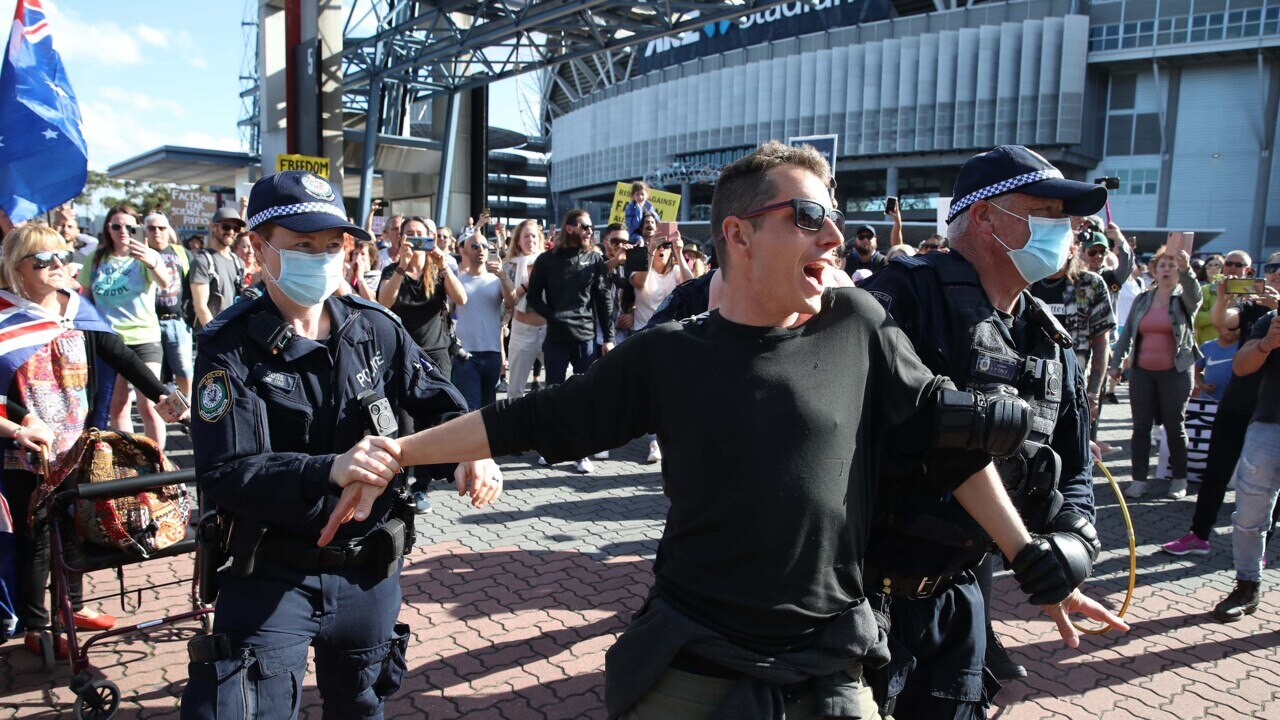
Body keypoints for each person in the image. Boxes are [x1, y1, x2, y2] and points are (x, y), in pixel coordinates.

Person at [319, 141, 1124, 719]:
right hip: (697, 654)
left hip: (833, 656)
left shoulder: (860, 322)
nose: (836, 239)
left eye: (835, 218)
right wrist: (399, 453)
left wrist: (1031, 558)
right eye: (809, 217)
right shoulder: (669, 356)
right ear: (736, 235)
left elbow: (944, 439)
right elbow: (531, 418)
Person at [179, 171, 501, 720]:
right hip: (270, 569)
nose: (321, 258)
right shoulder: (228, 346)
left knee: (359, 701)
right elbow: (226, 470)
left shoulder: (375, 327)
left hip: (367, 567)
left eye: (332, 245)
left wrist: (473, 450)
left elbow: (438, 401)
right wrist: (329, 469)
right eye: (302, 246)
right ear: (259, 248)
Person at [859, 144, 1113, 715]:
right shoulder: (900, 299)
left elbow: (1074, 464)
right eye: (1046, 211)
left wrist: (1073, 542)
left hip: (961, 599)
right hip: (861, 599)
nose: (1067, 229)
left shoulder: (1047, 340)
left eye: (1069, 217)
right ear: (984, 216)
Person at [0, 225, 186, 658]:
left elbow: (118, 353)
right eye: (42, 260)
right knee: (39, 533)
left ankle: (74, 607)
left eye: (60, 257)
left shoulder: (75, 308)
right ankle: (36, 625)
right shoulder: (5, 316)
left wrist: (160, 393)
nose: (57, 266)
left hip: (76, 438)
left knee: (75, 521)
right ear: (16, 267)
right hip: (26, 447)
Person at [1161, 254, 1280, 557]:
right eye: (1272, 272)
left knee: (1270, 483)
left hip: (1272, 410)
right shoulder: (1255, 309)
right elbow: (1220, 321)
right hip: (1238, 400)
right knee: (1216, 469)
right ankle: (1199, 535)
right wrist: (1223, 298)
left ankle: (1261, 546)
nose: (1275, 277)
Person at [376, 216, 468, 514]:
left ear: (431, 237)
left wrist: (443, 265)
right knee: (402, 423)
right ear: (400, 238)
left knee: (431, 424)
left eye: (421, 235)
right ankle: (400, 485)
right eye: (410, 234)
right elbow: (383, 302)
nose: (415, 239)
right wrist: (402, 266)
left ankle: (421, 486)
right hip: (400, 356)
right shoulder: (393, 270)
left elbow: (461, 298)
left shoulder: (438, 270)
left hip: (436, 355)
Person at [525, 209, 614, 474]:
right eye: (585, 226)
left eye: (590, 227)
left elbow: (604, 301)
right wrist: (552, 316)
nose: (590, 231)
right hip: (556, 337)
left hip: (585, 337)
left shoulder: (594, 258)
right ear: (570, 227)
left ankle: (580, 452)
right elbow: (532, 296)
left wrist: (608, 338)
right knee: (553, 393)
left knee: (583, 396)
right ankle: (552, 448)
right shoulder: (546, 260)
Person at [78, 206, 174, 450]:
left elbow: (165, 282)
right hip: (109, 342)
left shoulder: (145, 255)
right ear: (107, 228)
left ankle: (157, 461)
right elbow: (85, 300)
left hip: (144, 338)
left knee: (150, 403)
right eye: (116, 226)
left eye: (130, 227)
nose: (123, 231)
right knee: (117, 405)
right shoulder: (96, 258)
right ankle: (130, 460)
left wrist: (152, 260)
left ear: (138, 230)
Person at [1110, 245, 1202, 499]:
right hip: (1142, 372)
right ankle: (1139, 480)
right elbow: (1127, 332)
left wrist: (1187, 270)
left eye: (1172, 265)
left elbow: (1196, 296)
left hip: (1176, 372)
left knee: (1174, 426)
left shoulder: (1183, 299)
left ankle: (1179, 480)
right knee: (1140, 427)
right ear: (1154, 270)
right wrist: (1116, 364)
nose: (1166, 269)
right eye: (1162, 265)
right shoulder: (1143, 299)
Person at [1212, 306, 1280, 622]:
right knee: (1249, 515)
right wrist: (1266, 344)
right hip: (1269, 426)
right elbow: (1241, 367)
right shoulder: (1272, 320)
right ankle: (1246, 585)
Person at [1030, 229, 1115, 431]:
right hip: (1031, 384)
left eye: (1056, 246)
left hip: (1073, 386)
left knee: (1077, 451)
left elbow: (1102, 343)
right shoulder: (1026, 282)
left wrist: (1093, 393)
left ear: (1071, 250)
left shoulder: (1091, 284)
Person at [453, 235, 517, 410]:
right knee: (470, 408)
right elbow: (447, 312)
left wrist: (502, 275)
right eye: (474, 246)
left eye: (484, 246)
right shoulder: (458, 280)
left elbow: (513, 301)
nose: (480, 249)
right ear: (464, 251)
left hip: (492, 353)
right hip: (465, 354)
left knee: (488, 409)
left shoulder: (497, 279)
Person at [144, 212, 195, 405]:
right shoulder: (141, 253)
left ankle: (187, 408)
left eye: (162, 228)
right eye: (152, 228)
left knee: (183, 369)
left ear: (169, 231)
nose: (157, 232)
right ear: (145, 232)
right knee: (155, 374)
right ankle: (159, 411)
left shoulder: (181, 253)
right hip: (148, 323)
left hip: (176, 320)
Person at [502, 220, 548, 399]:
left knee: (557, 382)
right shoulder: (509, 266)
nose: (531, 240)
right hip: (522, 330)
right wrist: (527, 285)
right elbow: (508, 302)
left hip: (547, 329)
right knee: (515, 390)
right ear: (518, 240)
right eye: (526, 236)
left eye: (534, 236)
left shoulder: (548, 262)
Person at [189, 207, 247, 329]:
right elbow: (200, 307)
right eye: (226, 227)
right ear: (213, 227)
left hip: (234, 332)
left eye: (236, 229)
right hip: (212, 335)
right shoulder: (202, 261)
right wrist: (215, 335)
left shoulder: (239, 263)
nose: (231, 232)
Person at [1195, 250, 1252, 345]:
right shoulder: (1206, 290)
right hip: (1209, 349)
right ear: (1224, 266)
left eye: (1238, 264)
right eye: (1229, 263)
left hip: (1242, 350)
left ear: (1247, 269)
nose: (1233, 267)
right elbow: (1194, 319)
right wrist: (1221, 311)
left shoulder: (1253, 293)